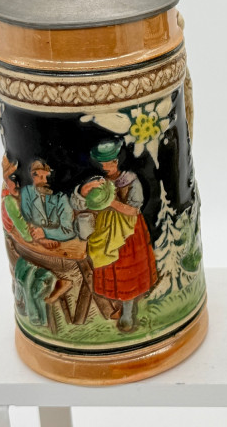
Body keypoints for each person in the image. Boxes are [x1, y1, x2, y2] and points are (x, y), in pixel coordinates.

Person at [76, 140, 158, 332]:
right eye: (103, 164)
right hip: (105, 230)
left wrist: (111, 203)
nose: (106, 168)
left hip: (127, 232)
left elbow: (134, 210)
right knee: (109, 268)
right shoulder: (100, 183)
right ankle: (118, 306)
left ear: (116, 161)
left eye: (109, 163)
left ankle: (127, 312)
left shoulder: (130, 180)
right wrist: (84, 192)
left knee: (127, 272)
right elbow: (82, 204)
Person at [21, 159, 75, 249]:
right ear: (33, 176)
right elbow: (25, 223)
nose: (45, 181)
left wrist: (45, 234)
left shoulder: (61, 197)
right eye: (41, 177)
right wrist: (41, 240)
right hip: (32, 247)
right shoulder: (26, 192)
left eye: (48, 177)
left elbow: (69, 231)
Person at [1, 155, 32, 242]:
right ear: (6, 179)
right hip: (15, 234)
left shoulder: (22, 194)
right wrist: (29, 239)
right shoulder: (9, 200)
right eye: (13, 178)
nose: (18, 184)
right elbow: (20, 224)